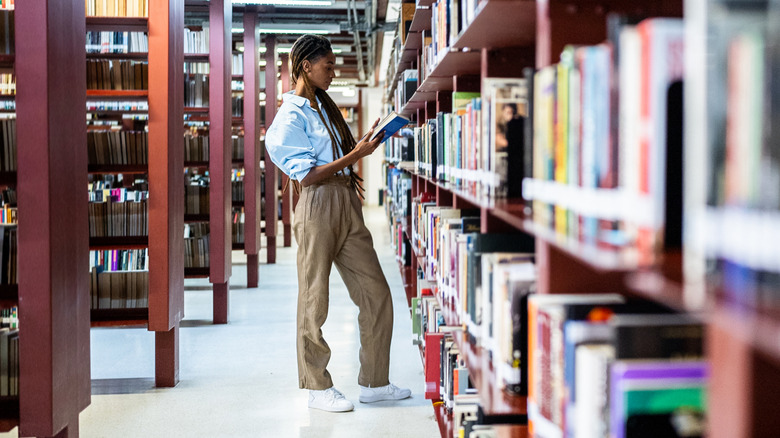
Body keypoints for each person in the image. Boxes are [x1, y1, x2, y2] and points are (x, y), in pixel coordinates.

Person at [264, 34, 411, 413]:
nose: (333, 72)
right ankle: (317, 387)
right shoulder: (288, 118)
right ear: (305, 66)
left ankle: (375, 382)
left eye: (334, 65)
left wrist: (362, 146)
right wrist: (355, 156)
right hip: (318, 205)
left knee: (376, 292)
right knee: (315, 298)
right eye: (327, 66)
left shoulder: (325, 109)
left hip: (347, 200)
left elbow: (336, 157)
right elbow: (307, 176)